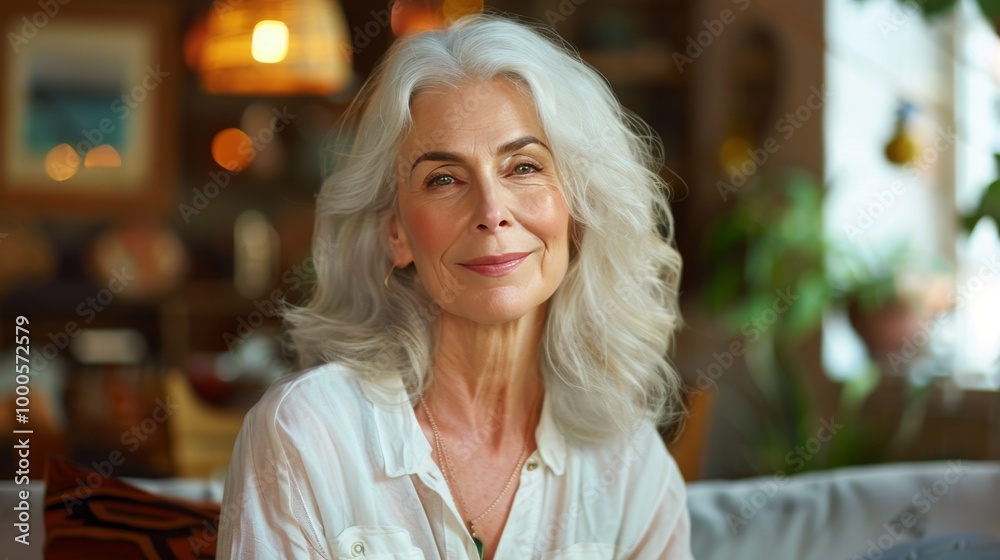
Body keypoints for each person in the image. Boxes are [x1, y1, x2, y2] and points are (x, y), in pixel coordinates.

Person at [218, 12, 692, 560]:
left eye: (523, 167)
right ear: (395, 233)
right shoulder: (306, 436)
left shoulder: (631, 465)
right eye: (444, 179)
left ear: (579, 211)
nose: (492, 212)